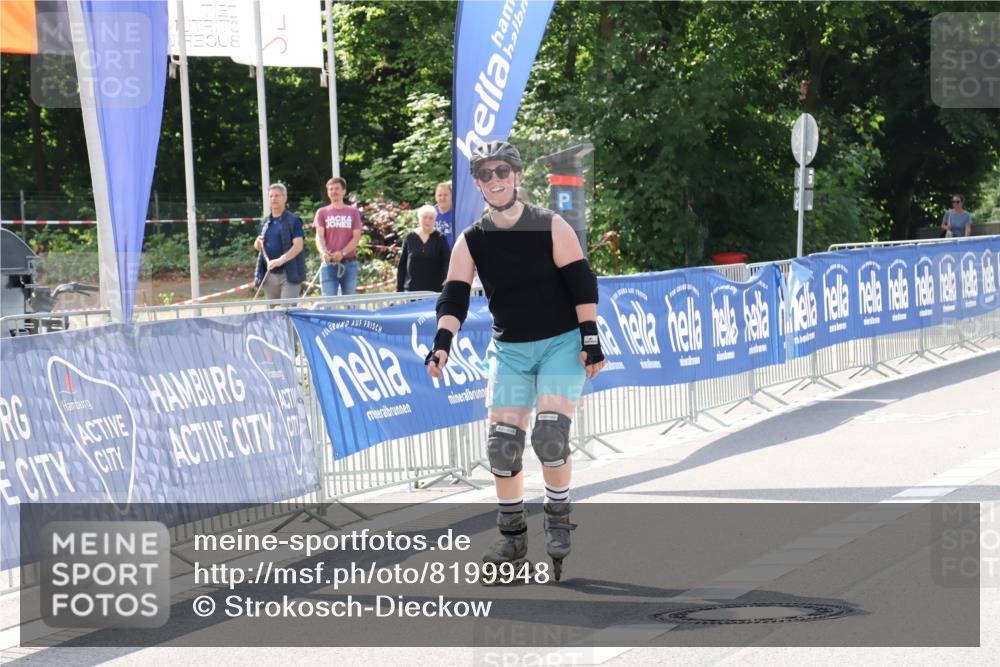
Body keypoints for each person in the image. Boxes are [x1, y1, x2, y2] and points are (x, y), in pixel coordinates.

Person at [424, 140, 605, 581]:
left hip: (561, 343)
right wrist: (442, 341)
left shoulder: (549, 225)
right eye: (485, 174)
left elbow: (581, 284)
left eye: (503, 171)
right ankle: (512, 537)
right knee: (502, 447)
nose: (495, 180)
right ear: (477, 183)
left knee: (549, 436)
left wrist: (591, 338)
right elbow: (454, 295)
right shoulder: (472, 240)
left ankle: (559, 518)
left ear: (518, 176)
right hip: (510, 350)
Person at [253, 183, 306, 300]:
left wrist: (281, 260)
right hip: (269, 274)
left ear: (285, 198)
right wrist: (257, 243)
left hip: (289, 274)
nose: (273, 199)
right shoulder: (264, 222)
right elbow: (259, 247)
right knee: (270, 314)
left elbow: (298, 246)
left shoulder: (294, 220)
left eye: (277, 195)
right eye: (271, 196)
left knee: (287, 311)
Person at [314, 177, 363, 295]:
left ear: (344, 191)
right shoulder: (322, 212)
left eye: (337, 188)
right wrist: (323, 252)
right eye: (330, 189)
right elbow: (319, 236)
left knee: (350, 304)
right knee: (328, 303)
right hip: (329, 264)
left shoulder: (353, 212)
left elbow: (356, 237)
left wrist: (343, 253)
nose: (333, 192)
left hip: (349, 263)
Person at [396, 205, 450, 292]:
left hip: (434, 291)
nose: (427, 221)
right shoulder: (410, 237)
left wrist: (447, 280)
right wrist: (399, 290)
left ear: (435, 220)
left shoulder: (440, 238)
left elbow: (447, 261)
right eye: (424, 217)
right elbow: (402, 265)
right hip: (411, 291)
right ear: (419, 219)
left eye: (431, 218)